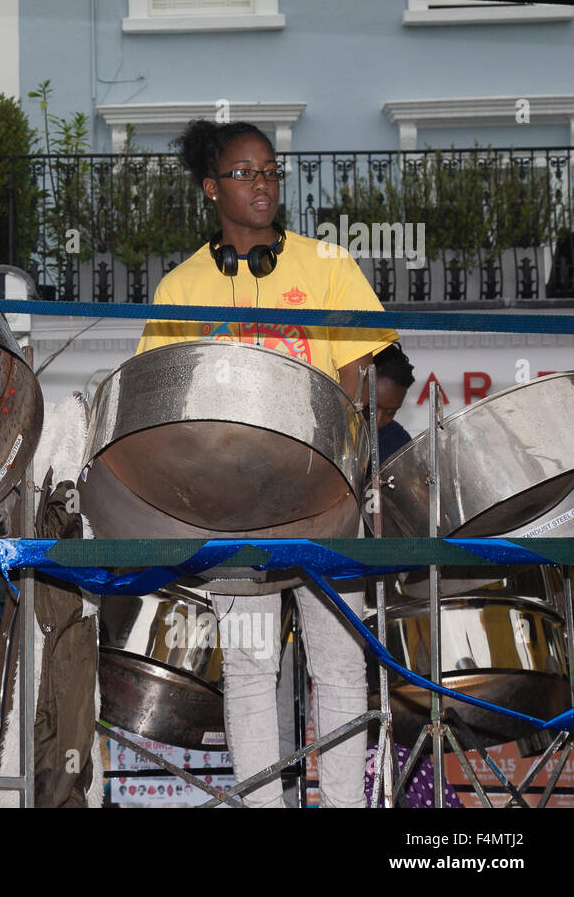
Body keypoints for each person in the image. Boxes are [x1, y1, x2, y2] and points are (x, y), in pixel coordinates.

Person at [137, 119, 398, 808]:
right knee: (252, 668)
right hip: (234, 506)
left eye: (272, 171)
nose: (264, 184)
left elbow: (367, 378)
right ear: (210, 187)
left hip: (325, 500)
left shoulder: (329, 266)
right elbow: (160, 402)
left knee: (341, 667)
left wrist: (338, 465)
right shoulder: (180, 289)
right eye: (246, 172)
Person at [373, 342, 414, 461]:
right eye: (371, 407)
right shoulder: (332, 432)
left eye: (390, 412)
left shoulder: (398, 441)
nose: (378, 420)